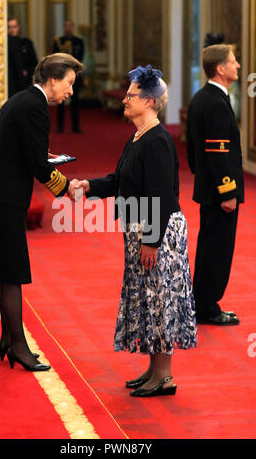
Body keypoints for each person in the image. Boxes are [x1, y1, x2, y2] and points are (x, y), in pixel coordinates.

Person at [77, 65, 197, 397]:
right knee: (149, 298)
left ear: (148, 101)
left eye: (130, 96)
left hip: (156, 232)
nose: (124, 101)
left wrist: (151, 241)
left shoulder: (157, 140)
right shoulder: (138, 136)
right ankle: (153, 369)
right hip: (141, 227)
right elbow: (120, 181)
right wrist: (89, 186)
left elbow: (160, 195)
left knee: (161, 299)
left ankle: (165, 376)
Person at [0, 53, 84, 371]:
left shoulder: (22, 99)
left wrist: (38, 154)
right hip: (4, 196)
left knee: (8, 271)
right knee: (13, 272)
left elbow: (9, 146)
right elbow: (35, 164)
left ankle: (9, 339)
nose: (71, 92)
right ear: (53, 79)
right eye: (69, 83)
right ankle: (18, 345)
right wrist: (66, 189)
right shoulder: (36, 107)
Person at [186, 44, 244, 325]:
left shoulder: (201, 98)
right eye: (234, 62)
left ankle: (203, 302)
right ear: (220, 68)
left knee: (209, 246)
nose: (238, 66)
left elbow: (194, 155)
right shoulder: (216, 102)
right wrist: (228, 191)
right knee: (217, 250)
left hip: (208, 188)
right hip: (221, 192)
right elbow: (218, 153)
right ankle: (207, 307)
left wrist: (205, 181)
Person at [53, 20, 84, 133]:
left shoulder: (79, 41)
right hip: (61, 75)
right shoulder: (58, 41)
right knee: (60, 101)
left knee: (75, 102)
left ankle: (75, 126)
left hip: (75, 75)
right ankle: (60, 126)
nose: (68, 28)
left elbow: (80, 57)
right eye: (66, 26)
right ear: (64, 27)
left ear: (73, 27)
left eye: (70, 26)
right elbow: (55, 57)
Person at [8, 17, 38, 93]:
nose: (12, 30)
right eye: (9, 27)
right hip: (10, 82)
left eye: (14, 27)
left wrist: (27, 71)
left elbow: (34, 62)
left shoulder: (26, 43)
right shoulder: (3, 46)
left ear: (18, 27)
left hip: (26, 82)